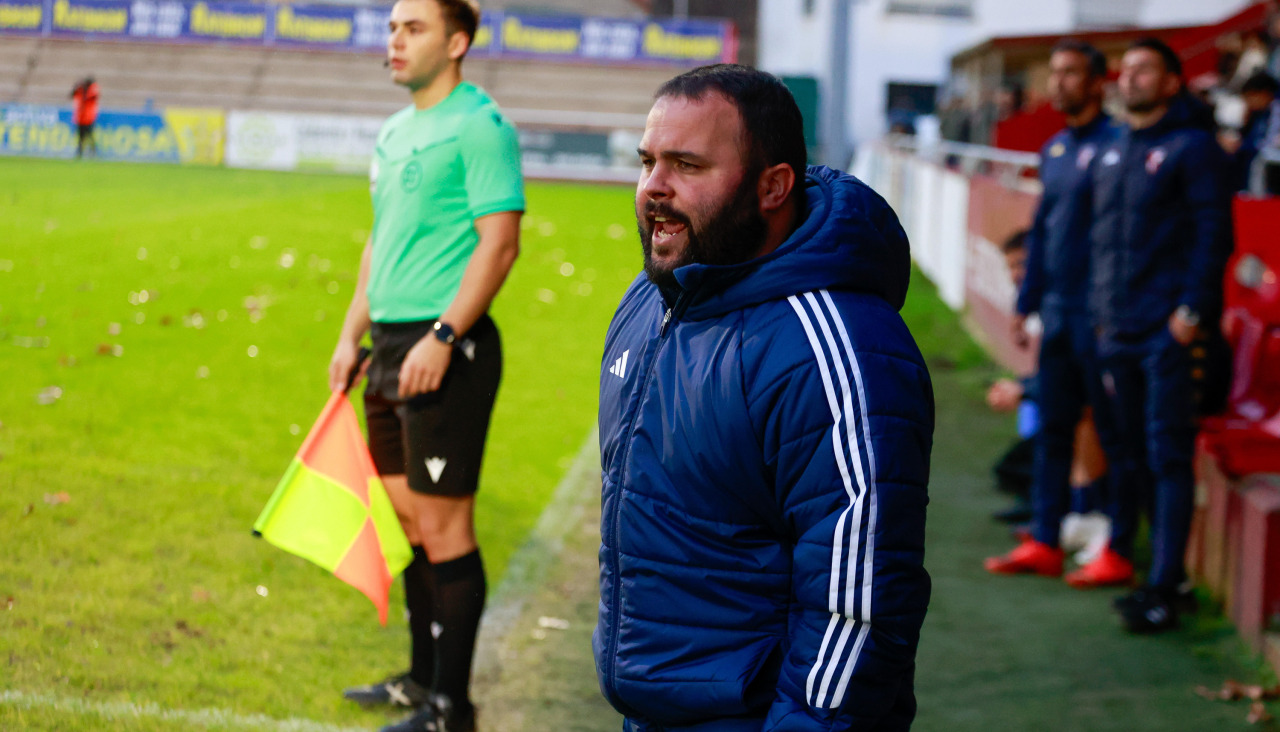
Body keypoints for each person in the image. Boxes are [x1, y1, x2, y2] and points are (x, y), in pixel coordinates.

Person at [595, 64, 934, 731]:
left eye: (687, 165)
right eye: (648, 162)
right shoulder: (652, 300)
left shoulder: (836, 347)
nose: (654, 189)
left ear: (773, 186)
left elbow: (859, 604)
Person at [327, 1, 523, 730]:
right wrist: (353, 334)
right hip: (387, 344)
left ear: (458, 40)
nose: (395, 40)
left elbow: (498, 244)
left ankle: (452, 707)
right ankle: (418, 679)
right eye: (391, 27)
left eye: (413, 28)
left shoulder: (482, 125)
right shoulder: (394, 132)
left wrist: (443, 336)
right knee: (407, 522)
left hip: (447, 349)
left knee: (444, 528)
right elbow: (380, 243)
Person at [1089, 38, 1232, 633]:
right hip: (1115, 328)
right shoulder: (1117, 146)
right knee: (1130, 456)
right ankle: (1154, 573)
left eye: (1146, 68)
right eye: (1127, 69)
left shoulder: (1193, 148)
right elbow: (1103, 241)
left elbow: (1213, 234)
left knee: (1168, 454)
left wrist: (1190, 313)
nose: (1132, 77)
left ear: (1173, 82)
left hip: (1165, 332)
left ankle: (1167, 587)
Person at [985, 40, 1132, 588]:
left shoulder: (1121, 145)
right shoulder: (1055, 150)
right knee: (1053, 431)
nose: (1059, 82)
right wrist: (1027, 303)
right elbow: (1044, 230)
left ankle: (1117, 547)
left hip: (1105, 318)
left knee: (1114, 434)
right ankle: (1045, 540)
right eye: (1055, 73)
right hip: (1060, 313)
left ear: (1098, 82)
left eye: (1072, 73)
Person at [70, 77, 99, 159]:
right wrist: (76, 86)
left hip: (89, 119)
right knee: (80, 137)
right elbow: (72, 95)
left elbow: (90, 97)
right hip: (80, 118)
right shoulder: (80, 91)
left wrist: (84, 89)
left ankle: (93, 152)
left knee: (90, 136)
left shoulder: (92, 90)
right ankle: (79, 153)